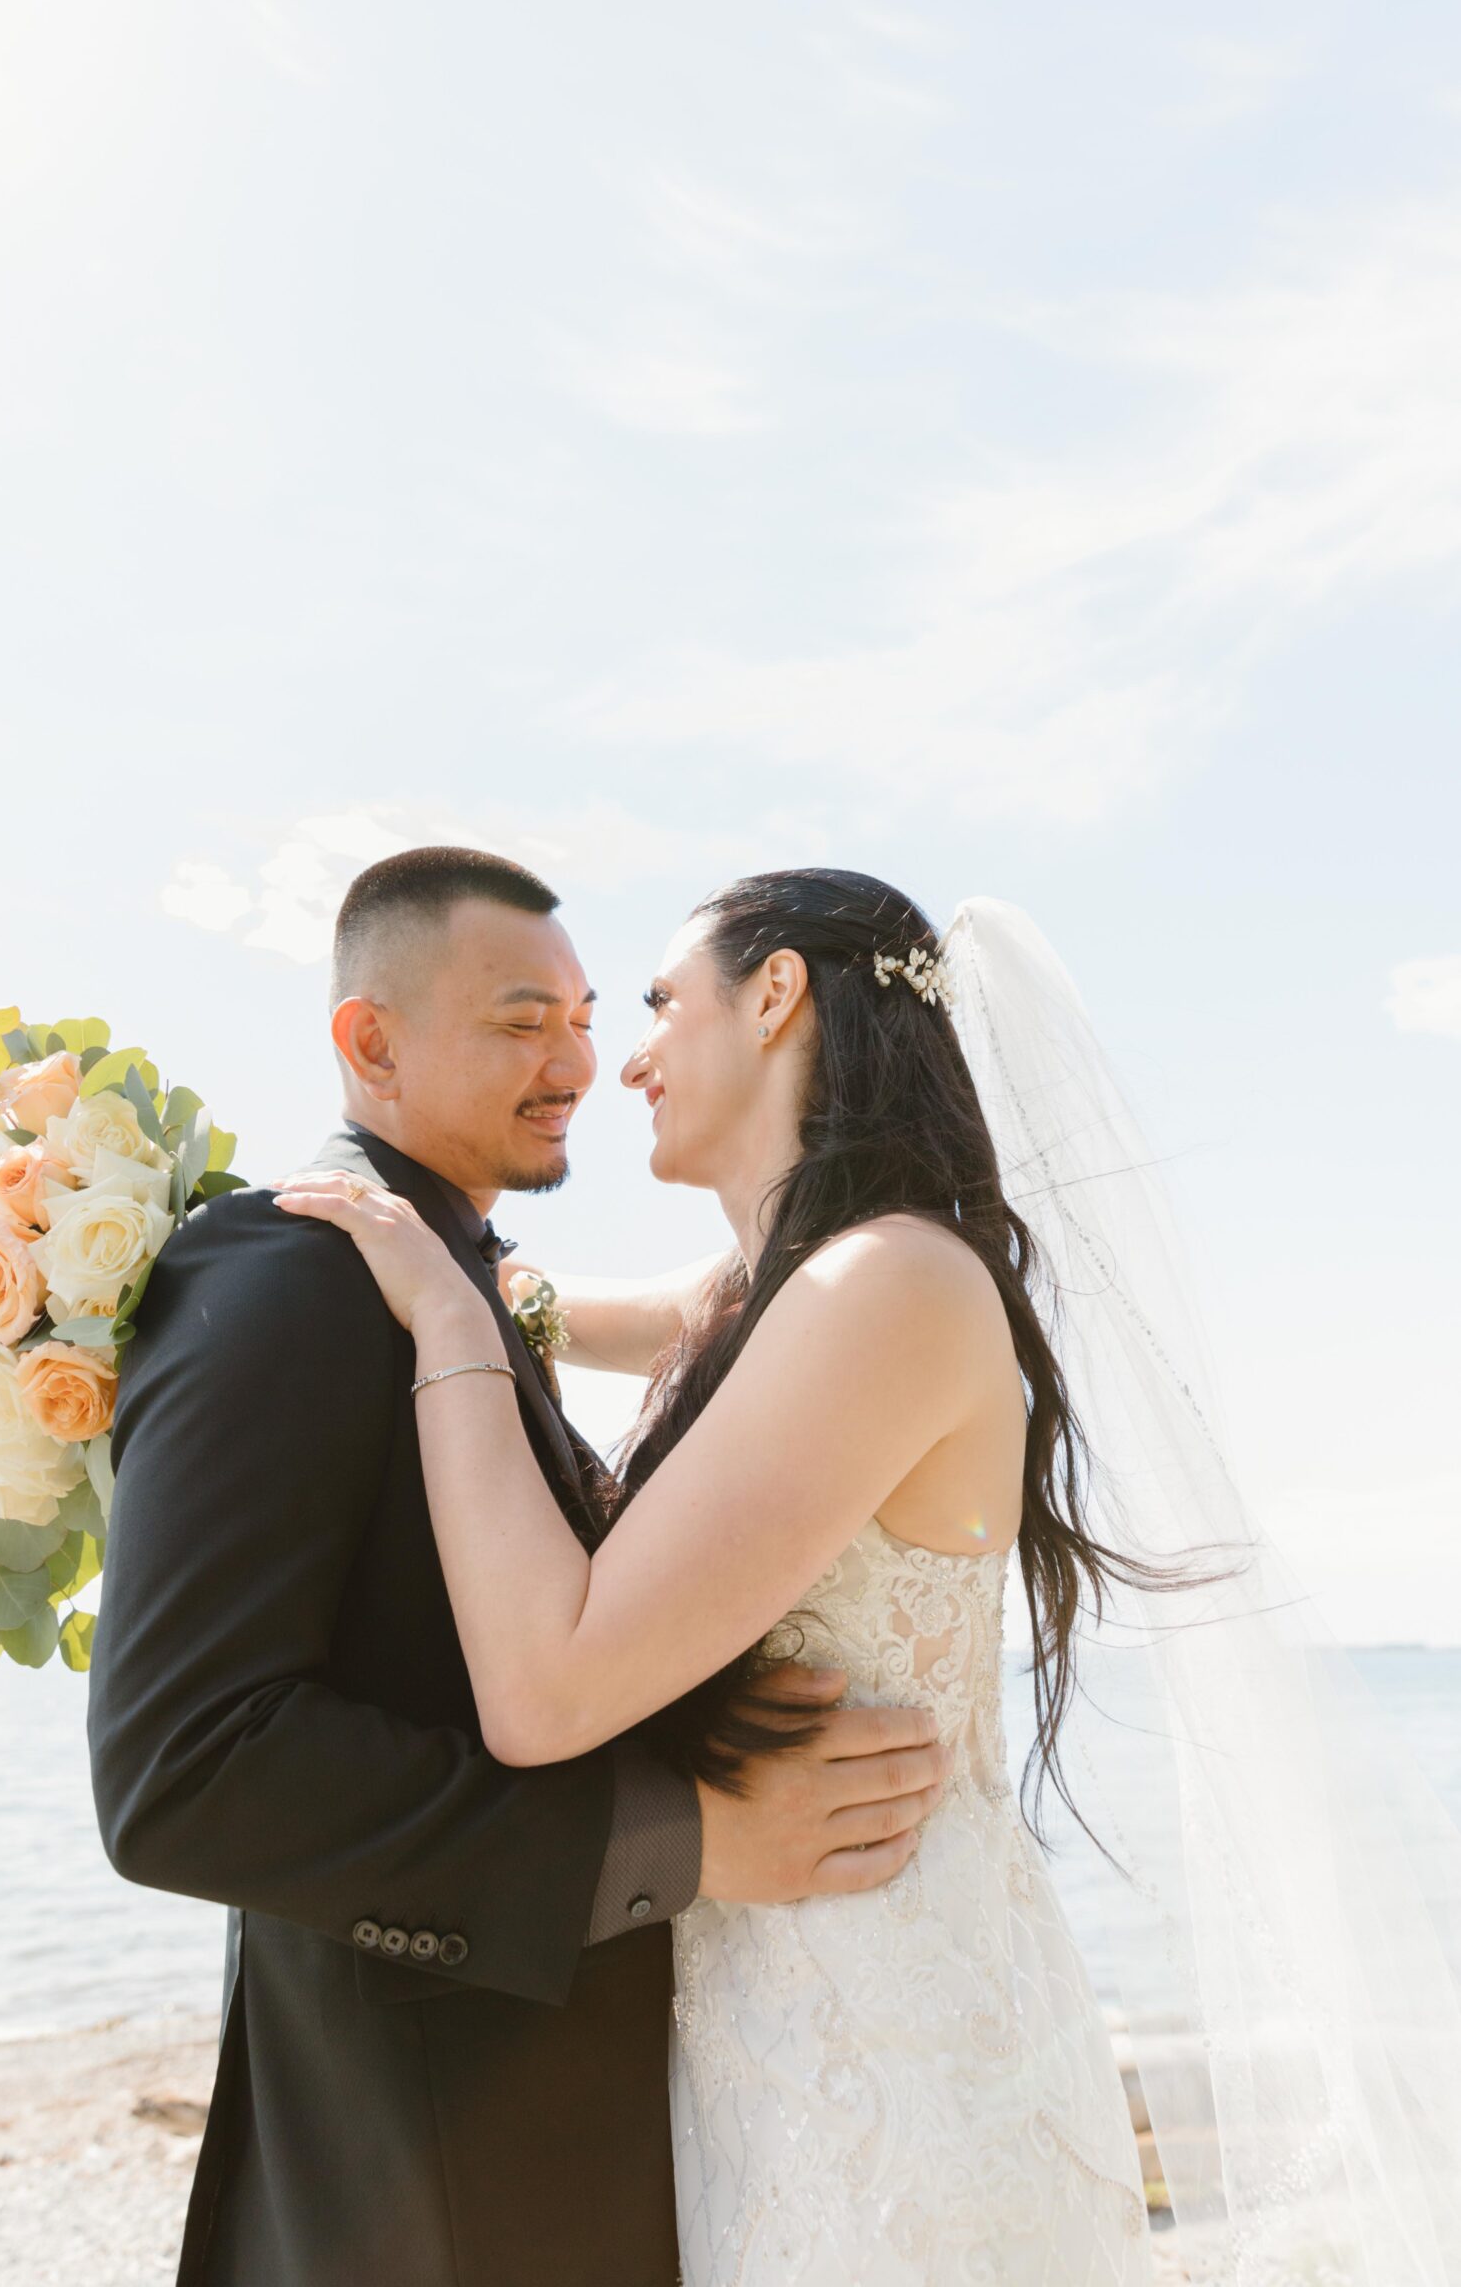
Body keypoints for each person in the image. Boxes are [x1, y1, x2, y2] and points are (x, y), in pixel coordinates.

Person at [273, 865, 1165, 2285]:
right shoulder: (770, 1294)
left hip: (892, 2064)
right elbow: (549, 1310)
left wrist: (441, 1314)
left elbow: (548, 1693)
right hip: (770, 2031)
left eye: (657, 1004)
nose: (621, 1058)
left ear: (775, 995)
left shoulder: (885, 1290)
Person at [87, 848, 949, 2287]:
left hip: (593, 2155)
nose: (578, 1062)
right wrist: (681, 1844)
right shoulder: (288, 1270)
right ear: (371, 1041)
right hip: (428, 2186)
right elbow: (187, 1772)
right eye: (516, 1022)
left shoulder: (466, 1286)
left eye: (588, 1014)